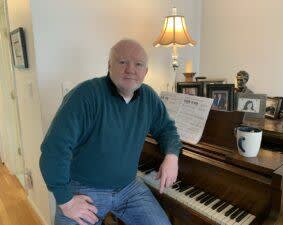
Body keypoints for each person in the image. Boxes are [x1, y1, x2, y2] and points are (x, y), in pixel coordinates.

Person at [39, 39, 182, 225]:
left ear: (145, 72)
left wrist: (172, 156)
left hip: (128, 188)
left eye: (138, 64)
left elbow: (167, 129)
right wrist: (66, 201)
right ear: (109, 65)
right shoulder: (85, 95)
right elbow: (54, 150)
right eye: (122, 62)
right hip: (84, 190)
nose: (130, 69)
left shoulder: (149, 97)